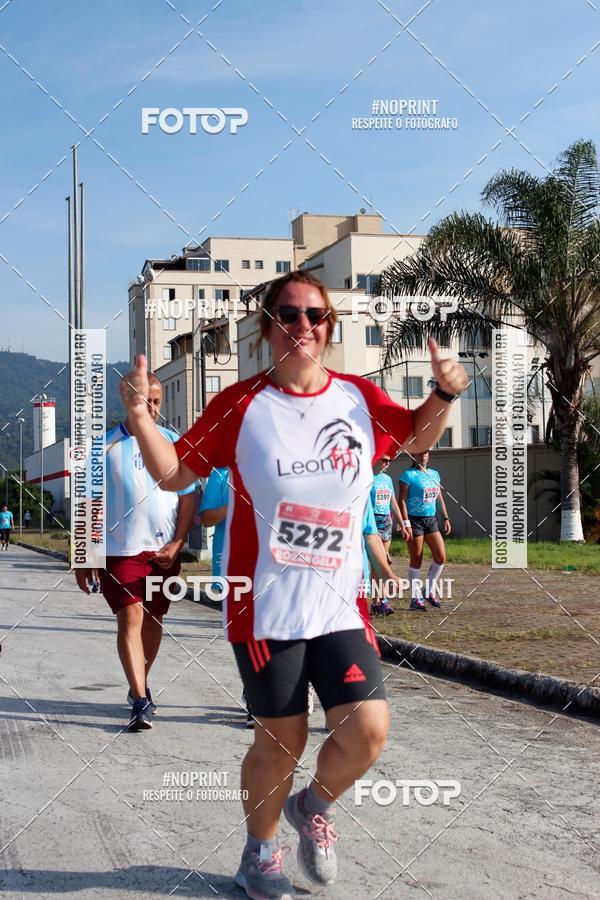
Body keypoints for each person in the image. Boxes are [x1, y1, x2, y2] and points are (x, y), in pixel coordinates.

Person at [119, 270, 467, 898]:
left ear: (329, 327)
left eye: (314, 315)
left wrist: (443, 395)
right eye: (287, 314)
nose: (301, 325)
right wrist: (143, 420)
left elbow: (414, 435)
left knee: (368, 729)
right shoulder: (240, 405)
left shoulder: (358, 397)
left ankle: (311, 808)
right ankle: (259, 854)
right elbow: (174, 475)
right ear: (266, 326)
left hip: (339, 605)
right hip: (266, 609)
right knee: (284, 738)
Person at [75, 371, 196, 732]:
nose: (151, 408)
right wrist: (85, 556)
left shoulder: (176, 443)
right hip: (121, 551)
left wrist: (178, 542)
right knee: (130, 619)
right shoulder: (103, 446)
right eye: (144, 401)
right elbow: (89, 503)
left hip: (164, 553)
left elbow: (189, 497)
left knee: (155, 621)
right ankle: (141, 699)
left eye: (157, 402)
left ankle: (137, 685)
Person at [398, 449, 451, 610]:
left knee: (441, 557)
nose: (424, 455)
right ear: (413, 456)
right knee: (417, 559)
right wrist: (405, 523)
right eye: (420, 453)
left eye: (426, 453)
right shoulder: (408, 475)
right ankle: (415, 599)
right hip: (414, 521)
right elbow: (402, 501)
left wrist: (446, 517)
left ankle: (428, 591)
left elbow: (439, 497)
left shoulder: (434, 474)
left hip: (431, 520)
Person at [370, 455, 403, 563]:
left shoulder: (388, 479)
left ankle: (380, 579)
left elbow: (393, 503)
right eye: (385, 460)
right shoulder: (368, 477)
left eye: (390, 461)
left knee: (382, 562)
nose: (388, 463)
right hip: (372, 519)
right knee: (378, 559)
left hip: (386, 520)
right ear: (376, 459)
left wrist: (402, 524)